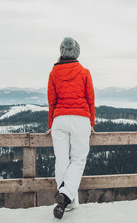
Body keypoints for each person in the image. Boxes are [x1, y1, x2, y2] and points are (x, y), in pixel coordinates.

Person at [45, 37, 95, 219]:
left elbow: (52, 102)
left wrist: (51, 124)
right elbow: (90, 100)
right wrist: (91, 123)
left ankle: (68, 203)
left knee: (61, 160)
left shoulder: (53, 73)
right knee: (79, 159)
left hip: (59, 120)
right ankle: (66, 196)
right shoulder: (84, 72)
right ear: (77, 53)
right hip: (80, 118)